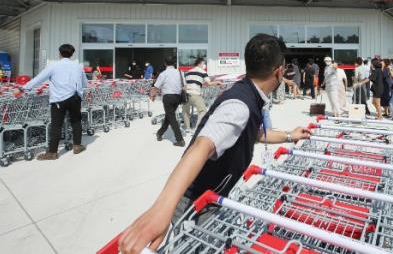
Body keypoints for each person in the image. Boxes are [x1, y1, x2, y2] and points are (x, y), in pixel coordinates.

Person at [119, 34, 311, 253]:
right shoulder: (239, 106)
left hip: (208, 198)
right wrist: (160, 211)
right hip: (196, 203)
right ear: (279, 71)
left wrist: (289, 135)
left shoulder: (248, 94)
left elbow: (254, 134)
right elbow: (201, 147)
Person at [15, 44, 88, 160]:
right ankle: (77, 146)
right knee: (76, 121)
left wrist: (24, 88)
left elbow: (39, 79)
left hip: (59, 99)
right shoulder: (78, 66)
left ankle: (52, 152)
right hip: (75, 98)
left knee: (56, 125)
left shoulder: (53, 66)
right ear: (72, 54)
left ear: (59, 53)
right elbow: (85, 83)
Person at [151, 58, 186, 146]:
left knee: (171, 117)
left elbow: (156, 87)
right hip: (178, 97)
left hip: (168, 98)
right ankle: (160, 133)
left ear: (165, 63)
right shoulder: (180, 72)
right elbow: (184, 86)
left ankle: (180, 140)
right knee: (169, 116)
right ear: (174, 63)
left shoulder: (163, 74)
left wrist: (153, 95)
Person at [182, 58, 223, 134]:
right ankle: (196, 128)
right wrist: (218, 82)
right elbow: (209, 83)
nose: (205, 65)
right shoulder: (203, 72)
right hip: (195, 94)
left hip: (186, 94)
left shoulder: (188, 72)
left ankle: (187, 128)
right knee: (202, 111)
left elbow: (186, 83)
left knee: (185, 111)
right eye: (204, 63)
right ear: (200, 63)